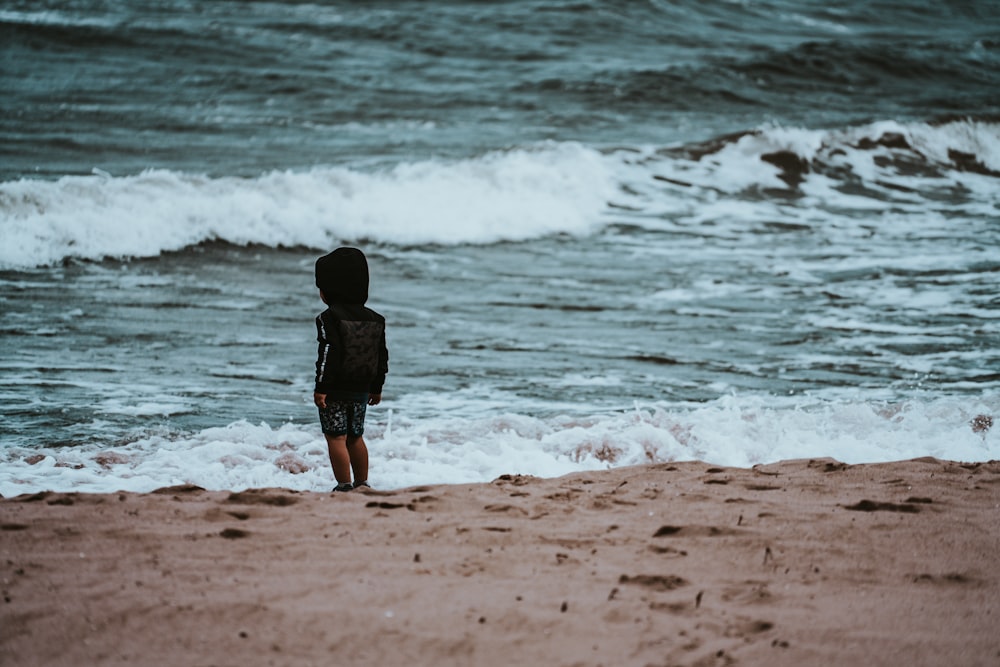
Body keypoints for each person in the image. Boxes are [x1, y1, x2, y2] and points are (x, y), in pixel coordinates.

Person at [313, 247, 389, 492]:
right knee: (356, 436)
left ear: (327, 291)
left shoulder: (329, 318)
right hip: (362, 389)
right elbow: (381, 356)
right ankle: (362, 483)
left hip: (335, 389)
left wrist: (321, 388)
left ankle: (344, 486)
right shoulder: (375, 319)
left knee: (336, 437)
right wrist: (376, 388)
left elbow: (329, 352)